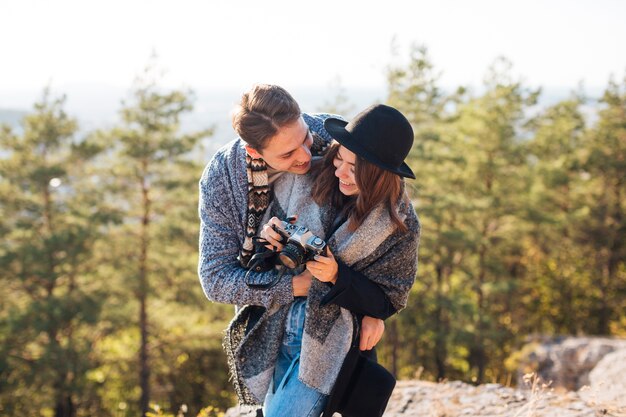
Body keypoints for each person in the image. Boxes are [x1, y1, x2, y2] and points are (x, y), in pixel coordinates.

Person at [197, 85, 389, 410]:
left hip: (338, 310)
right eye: (287, 154)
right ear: (256, 152)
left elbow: (387, 211)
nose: (304, 155)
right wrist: (292, 286)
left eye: (304, 139)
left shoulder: (332, 135)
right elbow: (214, 279)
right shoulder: (221, 180)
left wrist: (376, 308)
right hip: (269, 319)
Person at [250, 104, 421, 417]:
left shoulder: (399, 224)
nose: (340, 171)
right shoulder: (304, 181)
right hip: (279, 332)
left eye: (354, 168)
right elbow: (263, 262)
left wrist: (337, 276)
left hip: (327, 347)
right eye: (339, 159)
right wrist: (270, 238)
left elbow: (388, 298)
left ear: (379, 174)